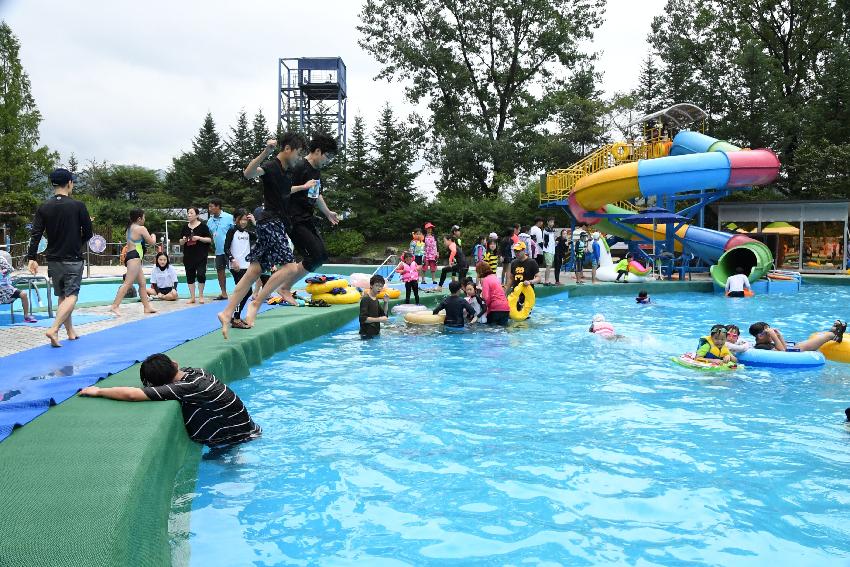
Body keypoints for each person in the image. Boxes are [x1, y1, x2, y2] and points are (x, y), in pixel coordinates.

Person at [217, 133, 307, 338]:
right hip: (270, 222)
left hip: (271, 224)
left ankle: (227, 312)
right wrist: (265, 151)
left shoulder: (286, 172)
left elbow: (285, 190)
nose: (299, 157)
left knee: (253, 272)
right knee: (291, 267)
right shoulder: (272, 166)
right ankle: (256, 302)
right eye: (298, 152)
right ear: (287, 149)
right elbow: (248, 173)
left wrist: (302, 187)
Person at [79, 353, 261, 448]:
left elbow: (132, 395)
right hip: (250, 429)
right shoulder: (197, 373)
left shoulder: (185, 388)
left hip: (237, 439)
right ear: (174, 364)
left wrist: (99, 391)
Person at [270, 133, 340, 307]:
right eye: (328, 156)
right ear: (317, 151)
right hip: (293, 218)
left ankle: (284, 287)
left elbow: (316, 195)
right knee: (315, 255)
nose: (329, 160)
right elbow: (283, 189)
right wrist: (302, 187)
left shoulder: (316, 171)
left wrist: (328, 212)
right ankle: (283, 288)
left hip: (306, 217)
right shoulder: (299, 167)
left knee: (321, 256)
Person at [26, 168, 93, 347]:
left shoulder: (44, 207)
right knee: (72, 296)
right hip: (72, 258)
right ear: (70, 183)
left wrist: (31, 257)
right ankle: (54, 329)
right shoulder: (78, 206)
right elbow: (88, 232)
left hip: (54, 260)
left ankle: (70, 332)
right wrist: (77, 243)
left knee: (63, 295)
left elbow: (36, 234)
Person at [110, 209, 157, 317]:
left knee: (142, 283)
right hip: (135, 257)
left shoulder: (129, 228)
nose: (145, 219)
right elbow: (152, 242)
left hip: (132, 256)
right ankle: (115, 306)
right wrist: (153, 235)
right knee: (128, 283)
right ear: (139, 218)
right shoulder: (141, 228)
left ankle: (147, 307)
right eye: (144, 217)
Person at [223, 209, 257, 329]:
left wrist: (254, 222)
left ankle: (235, 317)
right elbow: (226, 248)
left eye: (245, 220)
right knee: (245, 291)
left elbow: (262, 235)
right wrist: (233, 260)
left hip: (246, 266)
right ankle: (235, 318)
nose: (243, 222)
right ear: (235, 219)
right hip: (236, 267)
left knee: (245, 291)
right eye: (241, 219)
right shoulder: (232, 231)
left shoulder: (248, 232)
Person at [180, 207, 213, 304]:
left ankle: (201, 296)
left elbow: (209, 240)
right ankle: (192, 297)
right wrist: (184, 240)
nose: (189, 215)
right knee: (190, 275)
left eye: (191, 213)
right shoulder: (185, 227)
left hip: (201, 255)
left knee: (201, 274)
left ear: (197, 215)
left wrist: (198, 238)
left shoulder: (203, 227)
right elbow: (181, 242)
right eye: (188, 213)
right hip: (188, 255)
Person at [748, 320, 846, 352]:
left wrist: (779, 336)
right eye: (768, 332)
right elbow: (783, 352)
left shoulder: (767, 342)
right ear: (760, 336)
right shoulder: (761, 347)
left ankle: (831, 333)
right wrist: (774, 336)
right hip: (793, 354)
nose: (770, 333)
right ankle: (832, 334)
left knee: (799, 345)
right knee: (801, 346)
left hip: (792, 350)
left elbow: (784, 347)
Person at [206, 198, 235, 301]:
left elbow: (235, 231)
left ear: (218, 206)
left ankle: (241, 291)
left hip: (230, 250)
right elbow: (211, 234)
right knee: (220, 271)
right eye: (209, 207)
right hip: (218, 251)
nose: (210, 209)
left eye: (211, 206)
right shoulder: (209, 221)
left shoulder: (229, 217)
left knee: (235, 271)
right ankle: (224, 293)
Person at [0, 252, 36, 322]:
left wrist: (2, 272)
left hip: (6, 289)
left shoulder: (1, 259)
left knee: (23, 294)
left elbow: (10, 269)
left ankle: (26, 316)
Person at [476, 260, 510, 325]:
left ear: (480, 271)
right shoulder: (494, 277)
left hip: (495, 309)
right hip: (506, 308)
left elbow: (486, 298)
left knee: (491, 331)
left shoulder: (486, 280)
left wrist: (485, 309)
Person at [359, 274, 389, 339]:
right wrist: (379, 319)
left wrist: (386, 302)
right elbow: (363, 319)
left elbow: (384, 315)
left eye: (381, 286)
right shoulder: (366, 299)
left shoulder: (375, 299)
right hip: (366, 335)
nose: (379, 288)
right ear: (371, 286)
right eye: (377, 285)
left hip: (375, 333)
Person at [541, 218, 557, 285]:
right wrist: (553, 231)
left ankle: (547, 280)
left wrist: (555, 242)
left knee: (550, 265)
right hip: (547, 249)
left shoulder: (552, 230)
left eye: (553, 222)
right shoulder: (546, 229)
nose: (552, 223)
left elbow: (552, 238)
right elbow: (548, 232)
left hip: (552, 250)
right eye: (550, 222)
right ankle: (546, 281)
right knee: (548, 265)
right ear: (547, 222)